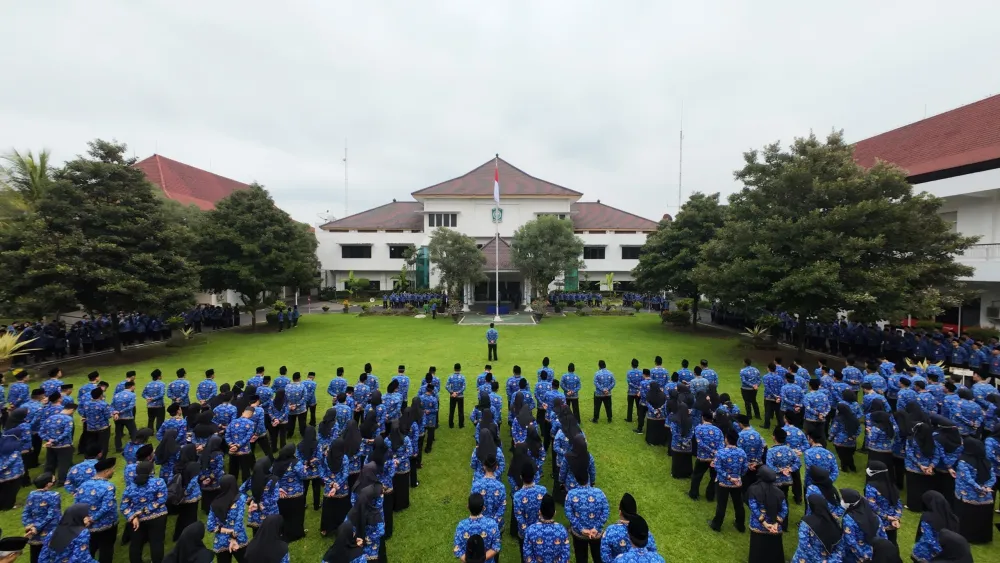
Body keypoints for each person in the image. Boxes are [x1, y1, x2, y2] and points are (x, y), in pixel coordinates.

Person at [564, 447, 609, 563]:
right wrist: (596, 528)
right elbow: (606, 511)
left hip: (579, 535)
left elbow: (569, 514)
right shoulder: (599, 493)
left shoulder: (571, 495)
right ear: (588, 478)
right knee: (598, 558)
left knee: (581, 558)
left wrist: (581, 529)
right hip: (596, 534)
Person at [120, 461, 168, 563]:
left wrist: (133, 516)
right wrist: (145, 510)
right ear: (151, 471)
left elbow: (123, 507)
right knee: (156, 542)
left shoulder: (129, 488)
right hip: (157, 517)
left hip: (137, 521)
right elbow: (161, 499)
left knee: (136, 544)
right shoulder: (159, 482)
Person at [74, 456, 117, 563]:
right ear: (107, 471)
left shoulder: (83, 485)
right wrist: (93, 518)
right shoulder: (108, 487)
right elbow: (107, 506)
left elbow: (77, 505)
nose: (114, 471)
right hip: (106, 525)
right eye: (113, 469)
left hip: (87, 526)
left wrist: (85, 519)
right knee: (106, 550)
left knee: (90, 551)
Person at [953, 437, 995, 544]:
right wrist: (986, 487)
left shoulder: (964, 461)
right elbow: (993, 477)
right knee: (981, 518)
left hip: (967, 494)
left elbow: (967, 479)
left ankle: (966, 536)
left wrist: (979, 488)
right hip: (985, 495)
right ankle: (981, 538)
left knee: (966, 518)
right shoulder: (986, 461)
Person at [600, 493, 659, 562]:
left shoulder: (610, 531)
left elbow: (605, 557)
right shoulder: (644, 532)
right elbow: (653, 552)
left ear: (620, 512)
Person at [745, 466, 786, 563]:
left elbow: (753, 507)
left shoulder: (753, 489)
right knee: (774, 547)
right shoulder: (779, 492)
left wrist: (764, 523)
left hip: (759, 524)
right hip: (775, 526)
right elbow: (784, 509)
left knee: (758, 547)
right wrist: (776, 523)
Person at [708, 430, 747, 532]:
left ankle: (717, 525)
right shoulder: (742, 452)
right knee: (738, 504)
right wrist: (737, 477)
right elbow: (744, 468)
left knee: (721, 505)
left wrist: (728, 477)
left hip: (723, 483)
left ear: (727, 439)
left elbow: (718, 468)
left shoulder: (721, 452)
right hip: (737, 483)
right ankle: (740, 525)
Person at [207, 475, 249, 563]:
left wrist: (226, 531)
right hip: (239, 539)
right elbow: (239, 522)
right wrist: (233, 538)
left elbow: (210, 526)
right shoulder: (240, 499)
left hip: (221, 541)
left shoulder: (214, 503)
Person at [792, 495, 844, 562]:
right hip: (824, 558)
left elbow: (804, 544)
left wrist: (817, 559)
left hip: (805, 558)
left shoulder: (806, 522)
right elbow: (839, 548)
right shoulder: (834, 522)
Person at [842, 488, 888, 563]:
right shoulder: (874, 516)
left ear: (850, 503)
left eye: (843, 499)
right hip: (874, 554)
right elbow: (883, 536)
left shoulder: (848, 519)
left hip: (855, 557)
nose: (842, 501)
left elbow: (850, 541)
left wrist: (863, 557)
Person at [23, 472, 61, 563]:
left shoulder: (31, 494)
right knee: (50, 555)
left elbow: (26, 512)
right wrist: (36, 527)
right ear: (48, 484)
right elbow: (52, 514)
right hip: (49, 530)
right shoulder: (54, 495)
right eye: (53, 480)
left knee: (35, 554)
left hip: (33, 532)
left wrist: (29, 525)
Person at [522, 493, 571, 563]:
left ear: (540, 512)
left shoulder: (531, 530)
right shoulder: (562, 530)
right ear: (555, 513)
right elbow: (566, 556)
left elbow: (527, 556)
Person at [912, 491, 959, 563]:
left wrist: (938, 552)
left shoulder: (927, 517)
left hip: (925, 554)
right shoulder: (953, 518)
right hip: (946, 554)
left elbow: (928, 538)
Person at [453, 493, 500, 563]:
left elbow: (457, 548)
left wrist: (471, 561)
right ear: (483, 508)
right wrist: (481, 559)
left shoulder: (461, 526)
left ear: (468, 507)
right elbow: (496, 546)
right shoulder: (492, 524)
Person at [865, 460, 902, 546]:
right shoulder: (892, 486)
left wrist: (886, 517)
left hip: (878, 522)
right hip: (892, 523)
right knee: (892, 543)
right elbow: (898, 504)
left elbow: (872, 505)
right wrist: (896, 518)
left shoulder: (871, 486)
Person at [40, 400, 76, 483]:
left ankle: (46, 480)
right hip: (64, 446)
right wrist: (55, 441)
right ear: (71, 410)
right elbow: (66, 433)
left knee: (50, 464)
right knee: (63, 464)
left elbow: (41, 431)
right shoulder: (68, 419)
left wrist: (48, 440)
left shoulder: (50, 418)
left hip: (51, 446)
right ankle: (62, 481)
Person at [689, 411, 722, 500]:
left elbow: (700, 443)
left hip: (702, 458)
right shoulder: (718, 430)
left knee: (697, 476)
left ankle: (694, 494)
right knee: (713, 477)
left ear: (703, 417)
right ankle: (710, 496)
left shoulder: (698, 428)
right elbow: (721, 444)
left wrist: (711, 451)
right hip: (714, 459)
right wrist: (716, 453)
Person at [644, 382, 668, 446]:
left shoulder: (649, 394)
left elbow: (647, 403)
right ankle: (661, 441)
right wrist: (659, 409)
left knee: (651, 428)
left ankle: (650, 440)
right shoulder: (663, 394)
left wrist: (654, 410)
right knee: (660, 428)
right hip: (661, 415)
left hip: (652, 415)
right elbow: (665, 403)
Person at [447, 363, 466, 429]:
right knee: (460, 411)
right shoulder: (462, 377)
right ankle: (461, 425)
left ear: (454, 369)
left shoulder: (450, 377)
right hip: (460, 396)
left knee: (451, 410)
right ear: (460, 369)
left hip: (452, 396)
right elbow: (464, 387)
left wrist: (452, 392)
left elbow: (447, 386)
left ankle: (450, 424)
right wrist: (458, 393)